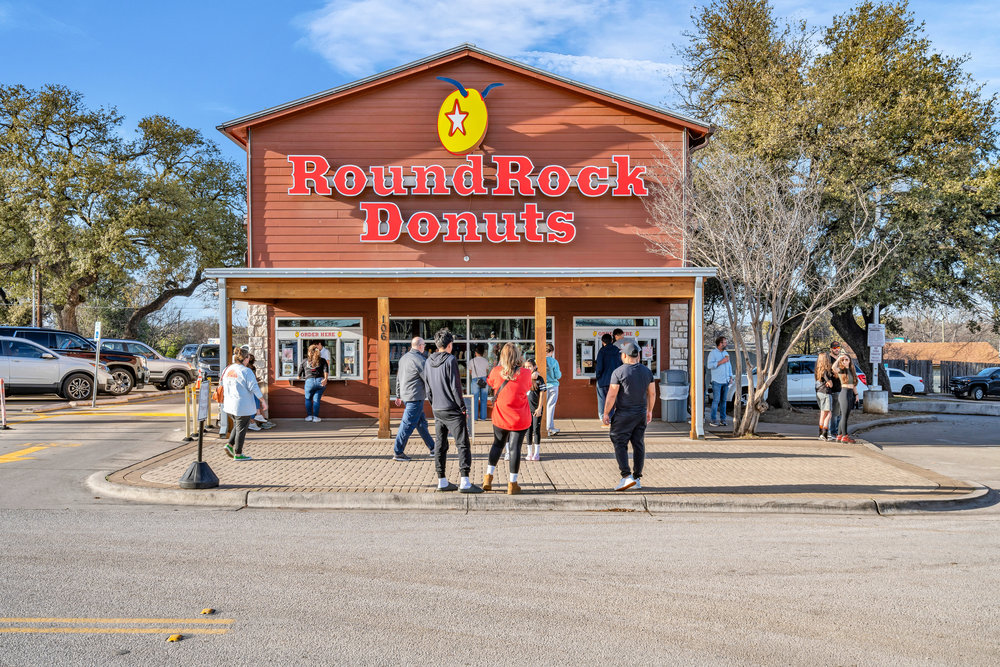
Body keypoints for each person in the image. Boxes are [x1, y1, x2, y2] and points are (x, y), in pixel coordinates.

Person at [425, 329, 482, 493]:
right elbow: (455, 387)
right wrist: (463, 407)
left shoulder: (428, 361)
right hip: (452, 408)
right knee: (462, 444)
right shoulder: (450, 360)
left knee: (440, 445)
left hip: (437, 408)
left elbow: (428, 387)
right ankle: (465, 482)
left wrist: (433, 403)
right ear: (449, 345)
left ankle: (441, 480)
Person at [602, 342, 655, 491]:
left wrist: (606, 413)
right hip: (640, 414)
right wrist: (649, 410)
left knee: (619, 442)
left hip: (623, 414)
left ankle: (626, 477)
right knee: (638, 444)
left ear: (624, 355)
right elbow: (652, 393)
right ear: (638, 355)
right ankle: (637, 478)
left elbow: (612, 394)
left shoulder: (618, 372)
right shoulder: (647, 372)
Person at [482, 343, 533, 494]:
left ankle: (488, 478)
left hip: (500, 416)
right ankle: (512, 484)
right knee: (515, 448)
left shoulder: (496, 371)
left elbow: (490, 383)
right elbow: (528, 387)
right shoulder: (525, 373)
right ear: (517, 356)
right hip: (519, 417)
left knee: (497, 444)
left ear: (502, 356)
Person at [392, 337, 436, 462]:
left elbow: (398, 378)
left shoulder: (403, 358)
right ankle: (398, 452)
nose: (425, 347)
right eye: (424, 345)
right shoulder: (421, 360)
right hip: (415, 397)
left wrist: (398, 395)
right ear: (420, 346)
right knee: (407, 425)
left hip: (407, 396)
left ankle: (433, 448)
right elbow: (428, 379)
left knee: (421, 424)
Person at [221, 348, 266, 461]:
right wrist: (262, 400)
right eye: (248, 359)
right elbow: (254, 387)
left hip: (229, 405)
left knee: (238, 425)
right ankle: (238, 453)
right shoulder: (246, 371)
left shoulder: (228, 369)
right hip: (242, 405)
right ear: (245, 359)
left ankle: (229, 445)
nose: (248, 361)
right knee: (241, 429)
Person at [517, 358, 546, 461]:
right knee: (528, 431)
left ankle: (536, 453)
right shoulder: (523, 377)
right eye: (525, 366)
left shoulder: (539, 379)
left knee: (536, 430)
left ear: (534, 367)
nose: (527, 368)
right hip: (526, 410)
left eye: (529, 366)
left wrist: (539, 408)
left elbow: (542, 395)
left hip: (536, 410)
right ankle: (529, 453)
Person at [594, 333, 622, 423]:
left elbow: (599, 367)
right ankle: (611, 417)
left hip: (603, 380)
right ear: (612, 341)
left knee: (602, 399)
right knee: (613, 399)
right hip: (615, 381)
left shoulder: (602, 351)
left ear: (602, 342)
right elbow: (621, 365)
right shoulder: (617, 351)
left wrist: (598, 377)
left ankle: (604, 418)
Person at [707, 336, 734, 427]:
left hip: (726, 381)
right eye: (725, 342)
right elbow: (709, 366)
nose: (726, 344)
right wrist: (720, 362)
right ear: (720, 343)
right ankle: (713, 420)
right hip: (717, 381)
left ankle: (723, 419)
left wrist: (730, 377)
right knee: (716, 401)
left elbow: (729, 366)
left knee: (724, 401)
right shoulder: (713, 353)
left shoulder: (726, 353)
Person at [298, 343, 328, 422]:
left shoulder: (304, 361)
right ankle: (315, 417)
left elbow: (299, 375)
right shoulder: (323, 360)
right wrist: (325, 379)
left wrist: (300, 376)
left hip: (309, 382)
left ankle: (309, 416)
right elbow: (326, 371)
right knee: (316, 400)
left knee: (308, 399)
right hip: (320, 381)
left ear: (309, 352)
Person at [835, 353, 860, 443]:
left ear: (850, 360)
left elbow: (854, 385)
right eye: (843, 360)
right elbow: (834, 368)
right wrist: (838, 359)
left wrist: (856, 395)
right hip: (844, 393)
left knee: (845, 416)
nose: (845, 361)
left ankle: (839, 435)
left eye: (846, 359)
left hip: (850, 394)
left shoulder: (852, 370)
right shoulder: (841, 370)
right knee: (844, 415)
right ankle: (845, 436)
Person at [245, 353, 273, 431]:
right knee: (255, 401)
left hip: (252, 387)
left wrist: (256, 379)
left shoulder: (252, 368)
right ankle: (254, 420)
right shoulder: (246, 368)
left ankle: (258, 418)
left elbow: (253, 377)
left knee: (257, 400)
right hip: (248, 389)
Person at [814, 352, 839, 441]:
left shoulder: (817, 370)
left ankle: (821, 433)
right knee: (829, 413)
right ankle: (825, 433)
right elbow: (830, 384)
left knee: (822, 413)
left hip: (819, 392)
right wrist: (830, 383)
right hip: (826, 392)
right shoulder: (826, 371)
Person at [468, 343, 490, 422]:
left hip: (475, 380)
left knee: (474, 399)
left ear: (476, 352)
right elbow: (486, 371)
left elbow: (470, 371)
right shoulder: (486, 361)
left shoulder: (471, 361)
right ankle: (483, 417)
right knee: (484, 399)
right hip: (484, 380)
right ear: (483, 352)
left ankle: (475, 417)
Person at [544, 342, 562, 436]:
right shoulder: (554, 361)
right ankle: (549, 427)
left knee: (542, 406)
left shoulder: (539, 360)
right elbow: (557, 375)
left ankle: (541, 426)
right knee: (550, 407)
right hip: (553, 386)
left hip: (543, 386)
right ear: (551, 351)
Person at [828, 342, 843, 436]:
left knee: (841, 412)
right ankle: (833, 431)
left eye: (838, 347)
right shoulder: (829, 359)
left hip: (842, 389)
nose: (837, 349)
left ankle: (838, 430)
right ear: (831, 349)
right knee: (835, 412)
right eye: (834, 347)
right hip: (834, 389)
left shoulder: (840, 359)